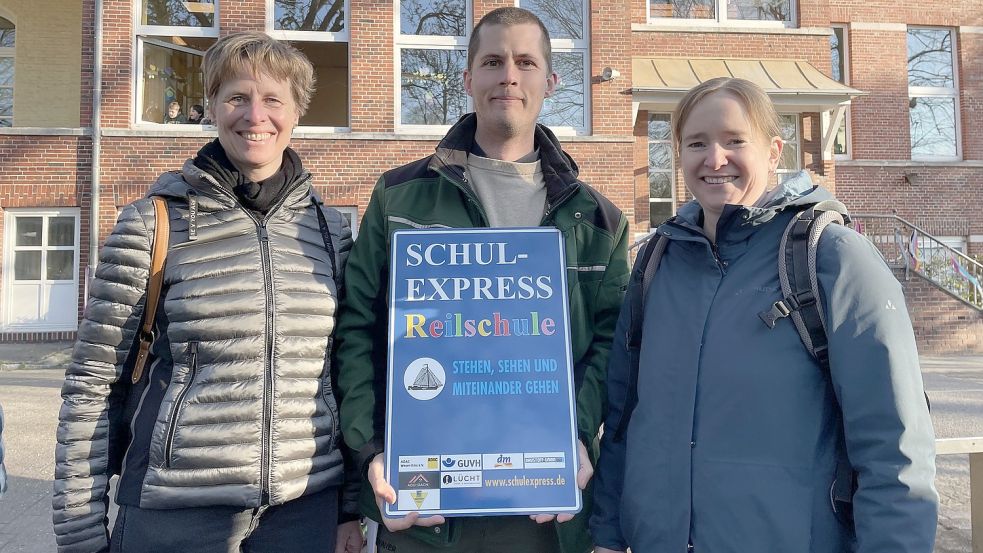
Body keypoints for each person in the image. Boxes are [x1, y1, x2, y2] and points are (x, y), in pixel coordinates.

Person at [590, 77, 938, 553]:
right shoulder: (657, 264)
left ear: (774, 151)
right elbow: (626, 418)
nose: (715, 159)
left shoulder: (830, 257)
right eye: (697, 143)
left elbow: (894, 443)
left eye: (735, 140)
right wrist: (608, 535)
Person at [52, 31, 363, 553]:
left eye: (273, 100)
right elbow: (93, 384)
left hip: (303, 512)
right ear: (212, 106)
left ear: (297, 112)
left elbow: (344, 374)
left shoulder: (330, 233)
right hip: (174, 516)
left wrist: (349, 506)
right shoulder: (153, 224)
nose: (254, 115)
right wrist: (80, 531)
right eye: (237, 97)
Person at [334, 7, 628, 553]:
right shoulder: (400, 198)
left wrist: (579, 437)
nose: (508, 76)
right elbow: (356, 329)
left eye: (525, 62)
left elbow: (610, 347)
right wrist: (373, 447)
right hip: (425, 511)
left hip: (544, 513)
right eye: (492, 61)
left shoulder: (599, 220)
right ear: (468, 79)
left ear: (550, 80)